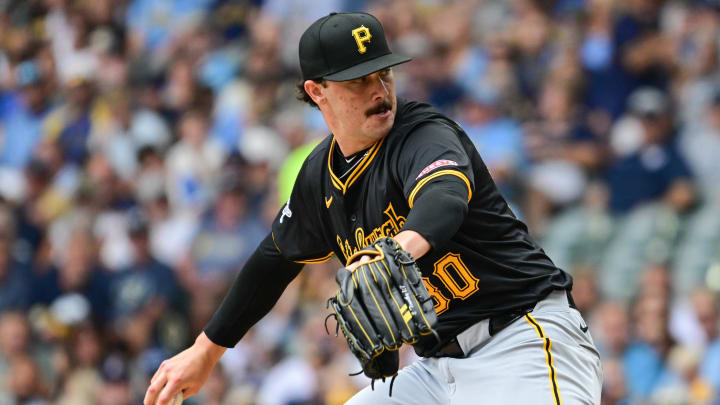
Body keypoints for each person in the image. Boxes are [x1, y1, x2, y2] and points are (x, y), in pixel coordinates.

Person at [144, 12, 602, 405]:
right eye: (357, 81)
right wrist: (205, 351)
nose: (378, 89)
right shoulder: (318, 175)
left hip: (523, 340)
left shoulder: (421, 133)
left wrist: (398, 247)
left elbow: (444, 196)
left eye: (384, 73)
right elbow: (273, 260)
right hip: (437, 373)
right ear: (317, 91)